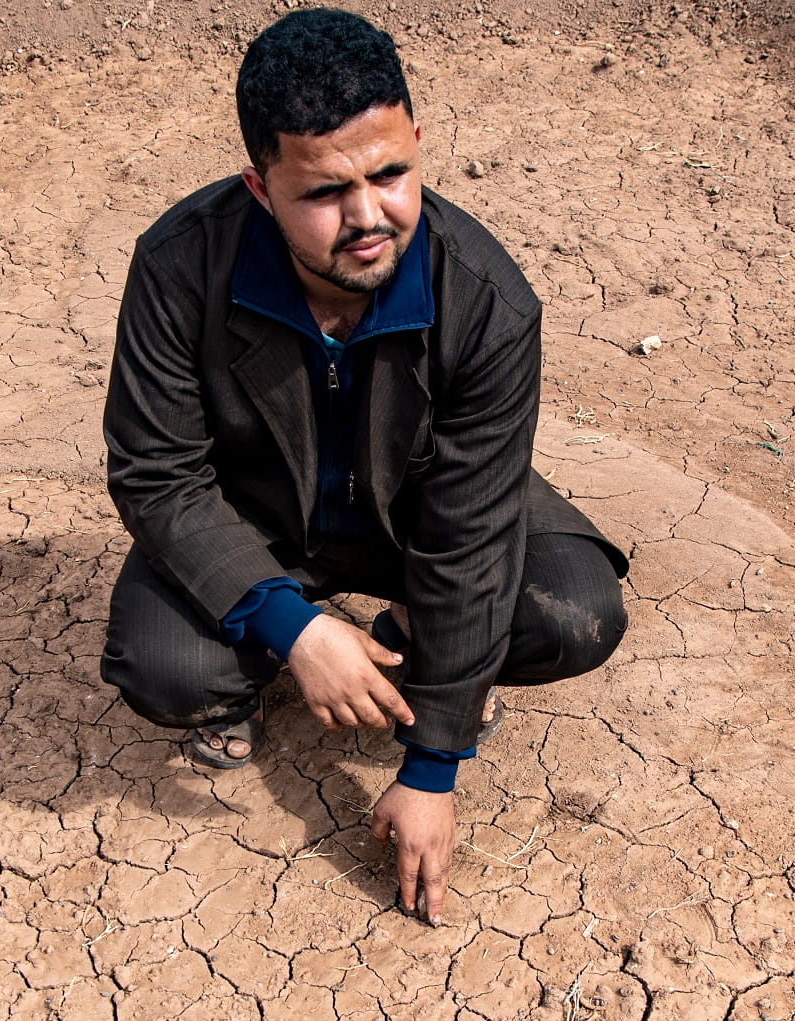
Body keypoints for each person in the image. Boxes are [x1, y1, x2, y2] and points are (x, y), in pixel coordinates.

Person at [100, 7, 628, 925]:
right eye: (324, 192)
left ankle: (411, 642)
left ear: (418, 143)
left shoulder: (488, 301)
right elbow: (157, 474)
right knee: (165, 672)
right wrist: (296, 629)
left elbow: (471, 533)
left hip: (418, 523)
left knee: (575, 612)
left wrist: (433, 767)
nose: (369, 216)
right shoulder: (179, 266)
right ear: (260, 187)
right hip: (259, 523)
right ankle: (294, 656)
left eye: (392, 174)